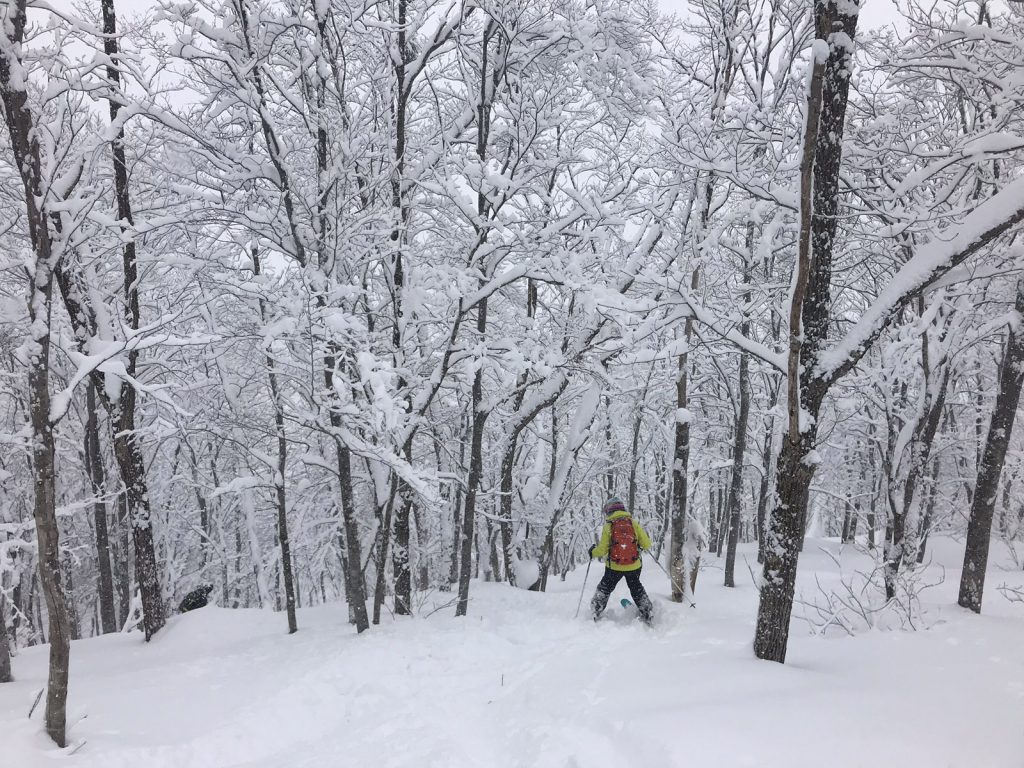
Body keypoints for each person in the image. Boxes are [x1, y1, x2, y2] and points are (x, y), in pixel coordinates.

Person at [588, 496, 654, 624]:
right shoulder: (633, 523)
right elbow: (647, 544)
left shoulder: (609, 525)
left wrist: (592, 552)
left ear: (609, 511)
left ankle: (596, 610)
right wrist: (638, 548)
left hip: (614, 567)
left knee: (605, 588)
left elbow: (602, 550)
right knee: (636, 588)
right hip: (634, 564)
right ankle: (647, 611)